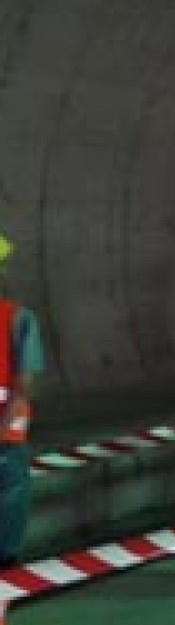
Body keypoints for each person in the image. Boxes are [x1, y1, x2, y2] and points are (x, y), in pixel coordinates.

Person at [0, 230, 48, 594]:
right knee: (10, 499)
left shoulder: (17, 319)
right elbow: (24, 383)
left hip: (6, 429)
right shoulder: (18, 319)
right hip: (4, 432)